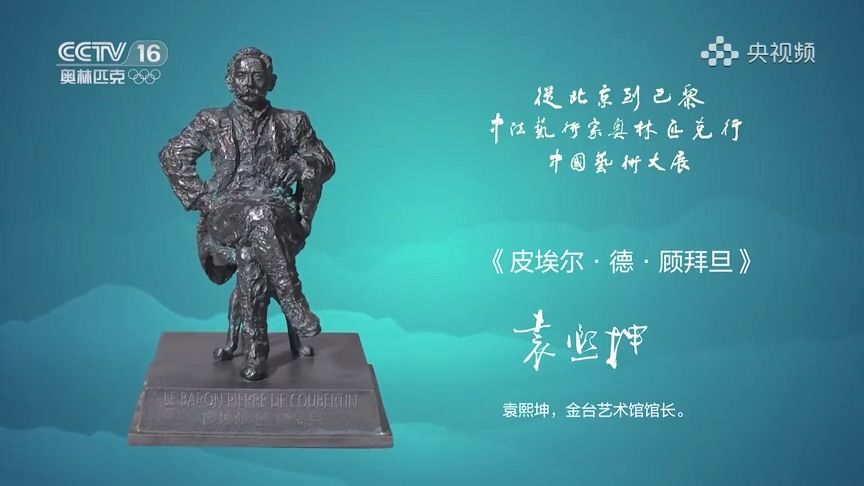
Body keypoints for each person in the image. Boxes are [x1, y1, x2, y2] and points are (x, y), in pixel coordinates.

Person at [159, 47, 335, 381]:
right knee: (256, 217)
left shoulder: (293, 121)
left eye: (257, 75)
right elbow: (172, 155)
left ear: (272, 82)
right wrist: (202, 199)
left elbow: (325, 161)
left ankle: (257, 352)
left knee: (252, 249)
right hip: (226, 214)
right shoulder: (211, 120)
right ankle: (293, 301)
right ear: (230, 81)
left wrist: (299, 163)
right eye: (241, 75)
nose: (249, 82)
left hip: (280, 215)